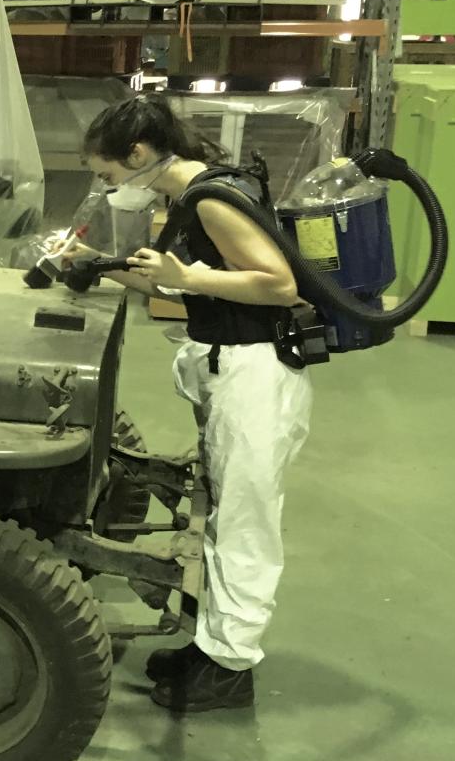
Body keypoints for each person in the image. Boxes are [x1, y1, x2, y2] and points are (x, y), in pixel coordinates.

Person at [80, 94, 313, 713]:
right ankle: (211, 646)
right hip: (230, 372)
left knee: (243, 526)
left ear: (138, 154)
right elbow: (194, 291)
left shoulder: (211, 198)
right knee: (222, 517)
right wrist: (94, 266)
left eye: (107, 175)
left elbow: (277, 284)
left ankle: (231, 670)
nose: (108, 189)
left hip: (257, 381)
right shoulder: (185, 199)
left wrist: (188, 278)